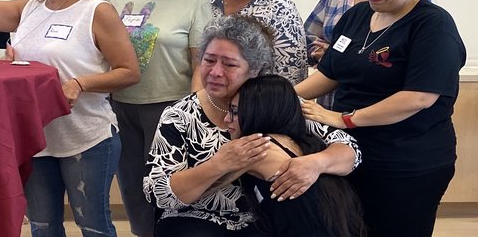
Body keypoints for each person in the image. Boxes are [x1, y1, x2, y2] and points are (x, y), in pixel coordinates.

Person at [296, 0, 466, 237]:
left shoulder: (432, 26)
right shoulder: (358, 16)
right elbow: (330, 73)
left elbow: (418, 98)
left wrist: (345, 119)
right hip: (350, 153)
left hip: (406, 163)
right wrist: (284, 95)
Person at [143, 15, 359, 236]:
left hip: (262, 219)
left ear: (255, 69)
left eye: (229, 64)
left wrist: (315, 164)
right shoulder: (180, 116)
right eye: (208, 60)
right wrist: (219, 164)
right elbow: (159, 195)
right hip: (197, 217)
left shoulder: (277, 102)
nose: (215, 72)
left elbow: (351, 151)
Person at [0, 0, 140, 235]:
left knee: (93, 226)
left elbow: (129, 71)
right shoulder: (28, 10)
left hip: (86, 139)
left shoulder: (95, 11)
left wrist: (81, 82)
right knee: (43, 226)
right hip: (36, 140)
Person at [106, 0, 212, 237]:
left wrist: (193, 111)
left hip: (169, 108)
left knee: (167, 185)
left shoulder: (196, 1)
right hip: (119, 106)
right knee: (132, 187)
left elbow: (202, 64)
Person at [225, 74, 366, 237]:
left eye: (234, 112)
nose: (226, 119)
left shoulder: (260, 149)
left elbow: (198, 189)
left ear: (261, 111)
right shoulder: (302, 141)